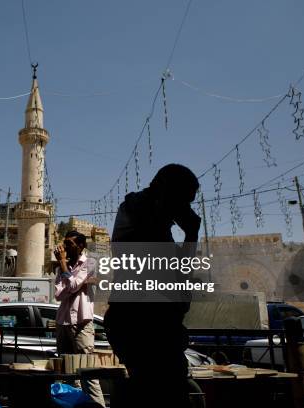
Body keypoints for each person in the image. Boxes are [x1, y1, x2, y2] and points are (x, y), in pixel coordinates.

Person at [104, 163, 200, 408]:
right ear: (168, 193)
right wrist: (190, 236)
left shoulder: (150, 217)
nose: (187, 209)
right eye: (184, 201)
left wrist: (190, 237)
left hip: (145, 324)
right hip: (144, 327)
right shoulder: (141, 215)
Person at [54, 231, 105, 407]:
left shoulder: (89, 262)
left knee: (88, 374)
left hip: (82, 324)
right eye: (65, 243)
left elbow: (72, 286)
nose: (65, 247)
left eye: (69, 244)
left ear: (81, 246)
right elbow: (59, 294)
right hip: (63, 322)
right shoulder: (64, 267)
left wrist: (64, 268)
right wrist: (78, 282)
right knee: (67, 373)